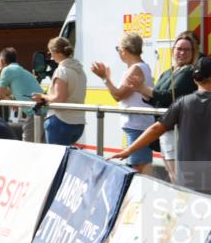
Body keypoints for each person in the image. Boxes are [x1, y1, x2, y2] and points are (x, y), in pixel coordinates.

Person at [111, 56, 211, 194]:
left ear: (194, 79)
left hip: (188, 174)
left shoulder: (183, 103)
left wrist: (128, 150)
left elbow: (156, 129)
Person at [135, 31, 200, 182]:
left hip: (177, 131)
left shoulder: (189, 71)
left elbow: (170, 96)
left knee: (178, 176)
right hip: (165, 130)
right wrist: (142, 91)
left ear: (193, 52)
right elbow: (157, 98)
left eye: (186, 50)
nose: (182, 53)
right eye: (179, 49)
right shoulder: (167, 72)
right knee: (172, 174)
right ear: (173, 50)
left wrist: (144, 89)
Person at [90, 32, 154, 173]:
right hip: (137, 124)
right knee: (138, 165)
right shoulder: (140, 67)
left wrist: (105, 78)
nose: (118, 52)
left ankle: (142, 193)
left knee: (139, 167)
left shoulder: (136, 68)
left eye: (118, 48)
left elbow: (118, 95)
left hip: (137, 125)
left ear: (124, 50)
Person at [31, 37, 87, 146]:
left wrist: (42, 96)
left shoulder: (61, 71)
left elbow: (59, 98)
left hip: (61, 121)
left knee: (55, 160)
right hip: (79, 122)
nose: (51, 57)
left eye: (51, 53)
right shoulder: (80, 71)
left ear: (58, 53)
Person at [0, 47, 43, 141]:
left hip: (35, 113)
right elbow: (6, 92)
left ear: (2, 61)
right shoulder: (21, 71)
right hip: (44, 112)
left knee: (28, 147)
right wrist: (12, 102)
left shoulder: (8, 70)